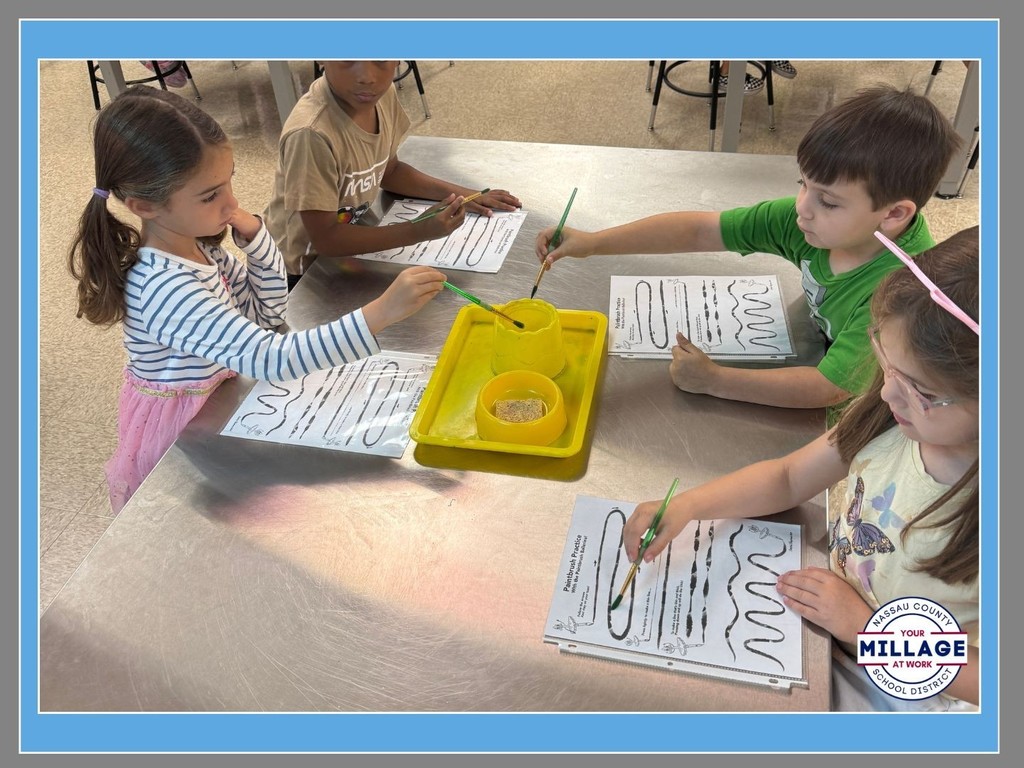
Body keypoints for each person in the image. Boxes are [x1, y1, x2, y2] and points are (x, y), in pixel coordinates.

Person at [622, 226, 980, 711]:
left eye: (921, 390)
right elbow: (789, 477)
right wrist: (689, 506)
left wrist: (864, 630)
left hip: (912, 698)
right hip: (825, 622)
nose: (886, 393)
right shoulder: (890, 421)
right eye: (887, 367)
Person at [67, 86, 446, 513]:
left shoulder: (198, 248)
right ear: (144, 206)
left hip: (218, 398)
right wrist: (380, 313)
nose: (231, 203)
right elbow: (271, 357)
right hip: (183, 428)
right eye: (210, 195)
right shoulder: (165, 288)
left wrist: (258, 242)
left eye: (229, 181)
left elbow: (266, 314)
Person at [536, 85, 962, 422]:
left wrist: (716, 380)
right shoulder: (810, 222)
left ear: (893, 214)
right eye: (802, 184)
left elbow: (830, 388)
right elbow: (703, 231)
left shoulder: (902, 294)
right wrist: (594, 243)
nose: (802, 208)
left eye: (828, 201)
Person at [264, 60, 522, 290]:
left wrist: (464, 196)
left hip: (346, 249)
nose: (366, 76)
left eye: (381, 58)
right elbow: (326, 239)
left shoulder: (380, 95)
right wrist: (416, 231)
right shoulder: (311, 134)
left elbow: (390, 171)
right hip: (298, 274)